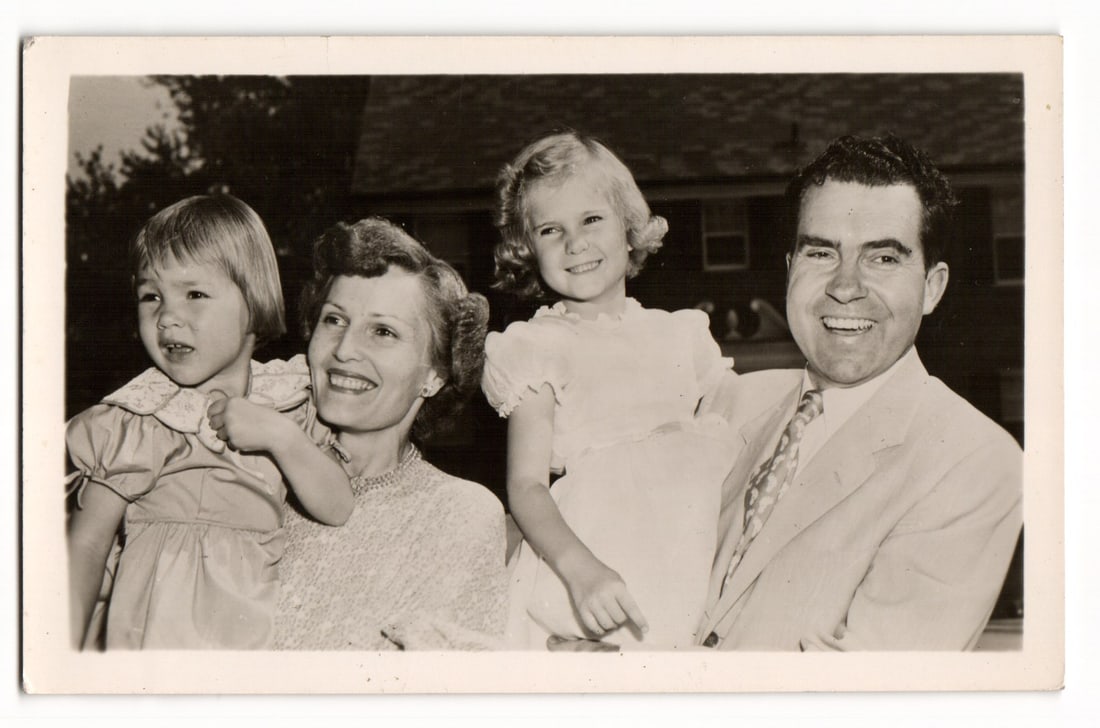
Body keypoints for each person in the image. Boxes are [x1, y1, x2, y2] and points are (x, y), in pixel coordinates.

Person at [698, 134, 1023, 650]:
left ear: (933, 287)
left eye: (884, 258)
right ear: (790, 271)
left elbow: (864, 691)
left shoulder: (973, 462)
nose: (845, 286)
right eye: (822, 252)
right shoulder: (726, 404)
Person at [483, 131, 735, 649]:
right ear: (528, 249)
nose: (575, 243)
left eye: (591, 219)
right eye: (551, 230)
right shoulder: (539, 347)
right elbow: (527, 485)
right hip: (597, 554)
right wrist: (581, 570)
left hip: (688, 545)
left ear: (628, 228)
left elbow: (732, 426)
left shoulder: (680, 334)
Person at [66, 194, 352, 650]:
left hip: (254, 634)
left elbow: (338, 507)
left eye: (194, 294)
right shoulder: (140, 417)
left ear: (254, 303)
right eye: (150, 296)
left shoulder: (288, 402)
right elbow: (86, 546)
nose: (166, 317)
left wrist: (280, 437)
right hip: (153, 640)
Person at [274, 217, 508, 650]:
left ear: (436, 374)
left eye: (382, 331)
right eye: (333, 320)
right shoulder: (253, 477)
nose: (344, 350)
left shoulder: (459, 515)